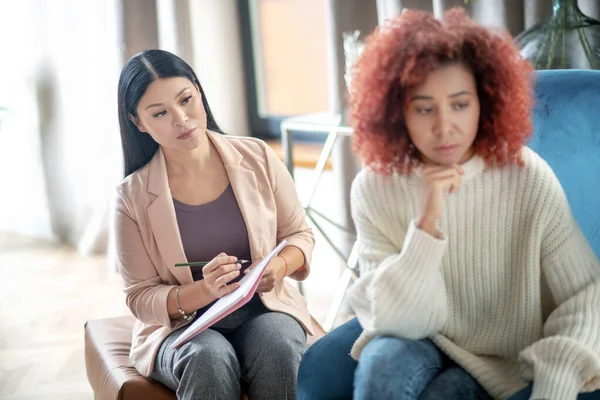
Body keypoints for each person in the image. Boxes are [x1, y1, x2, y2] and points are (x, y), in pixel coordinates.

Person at [297, 8, 600, 400]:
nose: (445, 127)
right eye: (425, 108)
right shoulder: (374, 187)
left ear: (484, 102)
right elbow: (392, 318)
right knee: (381, 365)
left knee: (448, 391)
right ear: (396, 111)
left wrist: (555, 383)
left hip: (503, 355)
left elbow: (586, 294)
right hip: (417, 334)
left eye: (460, 104)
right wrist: (426, 223)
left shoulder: (525, 175)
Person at [115, 49, 314, 400]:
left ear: (199, 92)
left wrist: (278, 267)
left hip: (263, 307)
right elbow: (140, 296)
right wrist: (204, 291)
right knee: (208, 357)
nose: (181, 119)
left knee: (279, 345)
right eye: (160, 113)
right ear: (138, 122)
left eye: (186, 100)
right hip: (180, 327)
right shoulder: (131, 198)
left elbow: (300, 234)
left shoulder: (258, 157)